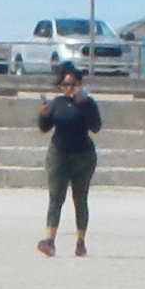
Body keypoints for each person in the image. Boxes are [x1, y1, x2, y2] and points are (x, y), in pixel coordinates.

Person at [34, 63, 100, 255]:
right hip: (59, 154)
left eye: (72, 84)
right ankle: (50, 241)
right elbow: (44, 128)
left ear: (80, 84)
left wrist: (83, 103)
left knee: (80, 199)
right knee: (56, 198)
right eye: (65, 84)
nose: (68, 88)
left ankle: (80, 242)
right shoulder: (57, 103)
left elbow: (95, 126)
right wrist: (43, 115)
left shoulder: (88, 103)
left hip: (83, 155)